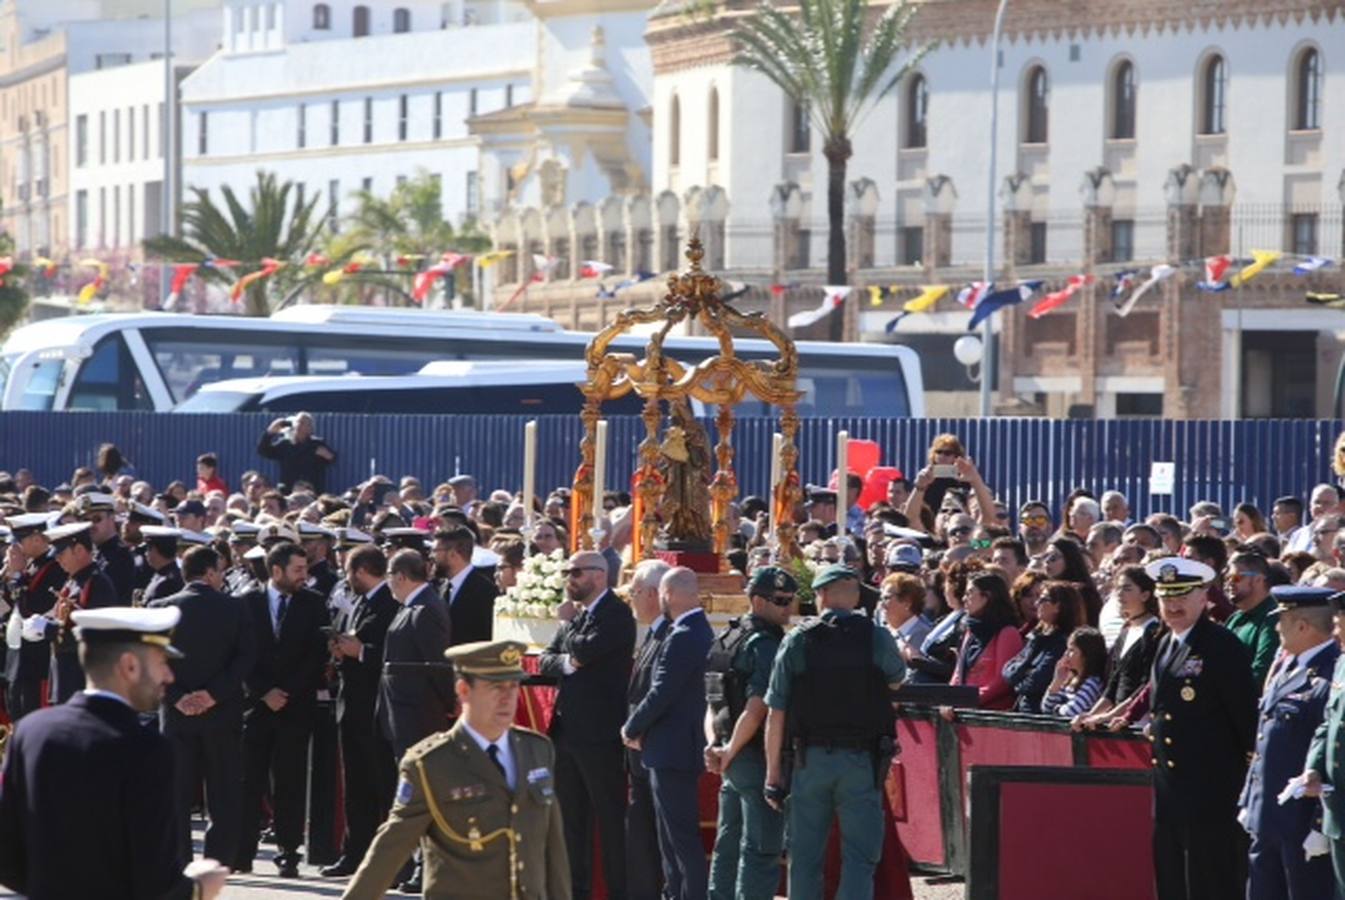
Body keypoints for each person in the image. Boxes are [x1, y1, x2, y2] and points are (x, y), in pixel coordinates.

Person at [0, 606, 229, 899]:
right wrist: (198, 889)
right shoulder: (145, 749)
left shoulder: (32, 732)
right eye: (161, 662)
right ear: (130, 666)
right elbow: (155, 879)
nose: (169, 676)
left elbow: (7, 854)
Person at [340, 640, 571, 900]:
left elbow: (554, 849)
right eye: (495, 688)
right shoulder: (430, 763)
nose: (507, 698)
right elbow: (391, 847)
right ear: (464, 690)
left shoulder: (536, 749)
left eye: (513, 686)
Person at [763, 564, 905, 900]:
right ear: (855, 596)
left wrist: (772, 775)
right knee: (860, 857)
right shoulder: (875, 636)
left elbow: (776, 709)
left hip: (808, 761)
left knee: (805, 858)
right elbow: (897, 679)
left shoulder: (799, 639)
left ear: (820, 595)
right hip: (861, 761)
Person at [1145, 556, 1257, 900]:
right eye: (1166, 597)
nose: (1173, 605)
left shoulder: (1220, 646)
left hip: (1211, 790)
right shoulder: (1166, 643)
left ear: (1204, 596)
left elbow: (1246, 720)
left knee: (1211, 881)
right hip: (1170, 789)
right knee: (1173, 879)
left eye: (1181, 595)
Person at [150, 545, 257, 868]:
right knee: (222, 792)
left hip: (176, 716)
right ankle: (217, 861)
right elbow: (246, 658)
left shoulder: (160, 607)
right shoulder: (235, 608)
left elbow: (149, 661)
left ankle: (180, 859)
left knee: (177, 794)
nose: (222, 577)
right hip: (221, 713)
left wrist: (178, 697)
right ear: (210, 573)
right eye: (220, 571)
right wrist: (214, 694)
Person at [539, 549, 636, 900]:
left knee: (610, 818)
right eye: (567, 571)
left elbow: (583, 653)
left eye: (575, 572)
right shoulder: (578, 616)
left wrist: (566, 633)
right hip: (567, 731)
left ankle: (618, 891)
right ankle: (575, 891)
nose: (569, 579)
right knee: (571, 819)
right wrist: (568, 657)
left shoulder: (616, 614)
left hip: (600, 734)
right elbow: (546, 661)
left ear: (598, 575)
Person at [235, 541, 329, 877]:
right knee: (249, 780)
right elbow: (240, 655)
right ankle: (242, 852)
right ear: (276, 571)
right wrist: (263, 692)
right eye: (298, 570)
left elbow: (316, 655)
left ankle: (289, 851)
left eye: (305, 569)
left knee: (289, 781)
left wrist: (286, 692)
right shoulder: (246, 603)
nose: (305, 576)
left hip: (294, 706)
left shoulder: (314, 604)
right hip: (255, 708)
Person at [1238, 586, 1337, 900]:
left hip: (1302, 826)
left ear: (1303, 626)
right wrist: (1249, 801)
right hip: (1267, 818)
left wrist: (1320, 826)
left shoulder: (1332, 673)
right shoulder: (1285, 668)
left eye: (1282, 619)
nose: (1277, 627)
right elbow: (1265, 737)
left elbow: (1332, 751)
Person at [622, 567, 713, 900]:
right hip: (671, 747)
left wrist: (630, 728)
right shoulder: (692, 630)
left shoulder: (684, 634)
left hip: (672, 749)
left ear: (671, 594)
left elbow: (662, 691)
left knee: (680, 839)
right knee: (670, 840)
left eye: (661, 592)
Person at [706, 565, 793, 900]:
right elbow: (758, 708)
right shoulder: (765, 644)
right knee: (761, 848)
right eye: (780, 600)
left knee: (728, 843)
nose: (788, 607)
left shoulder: (728, 637)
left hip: (732, 752)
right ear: (758, 601)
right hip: (754, 753)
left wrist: (717, 745)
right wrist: (727, 749)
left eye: (790, 600)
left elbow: (712, 702)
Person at [322, 544, 400, 878]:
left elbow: (392, 652)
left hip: (374, 709)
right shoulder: (359, 602)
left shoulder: (389, 603)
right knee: (355, 785)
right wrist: (340, 649)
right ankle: (355, 853)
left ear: (361, 571)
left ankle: (387, 860)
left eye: (347, 570)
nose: (344, 577)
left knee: (380, 784)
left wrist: (362, 651)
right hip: (351, 706)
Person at [626, 559, 671, 900]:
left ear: (655, 594)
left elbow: (660, 692)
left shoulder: (669, 634)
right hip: (641, 754)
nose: (631, 597)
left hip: (654, 749)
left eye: (636, 591)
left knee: (661, 839)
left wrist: (633, 727)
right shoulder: (654, 632)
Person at [37, 522, 121, 703]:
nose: (58, 559)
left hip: (80, 676)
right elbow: (59, 614)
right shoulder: (74, 580)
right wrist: (41, 621)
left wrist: (50, 629)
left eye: (61, 553)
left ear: (80, 550)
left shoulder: (96, 582)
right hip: (65, 674)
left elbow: (93, 634)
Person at [1074, 565, 1162, 730]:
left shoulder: (1155, 633)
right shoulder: (1125, 632)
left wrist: (1111, 715)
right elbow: (1113, 684)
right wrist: (1091, 715)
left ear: (1145, 594)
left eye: (1127, 589)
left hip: (1139, 721)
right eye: (1118, 589)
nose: (1119, 595)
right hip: (1117, 720)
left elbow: (1145, 685)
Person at [2, 513, 66, 721]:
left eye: (20, 541)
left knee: (33, 716)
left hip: (37, 660)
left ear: (37, 538)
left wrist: (19, 576)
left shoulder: (54, 568)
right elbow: (9, 606)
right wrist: (9, 578)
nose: (15, 548)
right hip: (18, 659)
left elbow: (33, 610)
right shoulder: (31, 565)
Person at [1302, 588, 1345, 891]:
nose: (1337, 631)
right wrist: (1314, 766)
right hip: (1338, 808)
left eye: (1341, 623)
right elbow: (1328, 723)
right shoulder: (1342, 664)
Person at [1002, 580, 1082, 713]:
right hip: (1022, 709)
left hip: (1039, 714)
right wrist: (1023, 671)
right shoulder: (1036, 637)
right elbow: (1007, 671)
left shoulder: (1062, 644)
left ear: (1058, 606)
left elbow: (1036, 683)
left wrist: (1019, 681)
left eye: (1043, 599)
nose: (1036, 603)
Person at [950, 572, 1024, 710]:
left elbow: (1003, 681)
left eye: (970, 593)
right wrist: (950, 699)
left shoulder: (1007, 633)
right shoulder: (970, 631)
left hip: (990, 714)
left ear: (986, 597)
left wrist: (970, 700)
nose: (964, 598)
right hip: (964, 709)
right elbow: (958, 673)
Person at [1224, 550, 1282, 689]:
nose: (1229, 584)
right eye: (1227, 578)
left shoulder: (1273, 616)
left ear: (1258, 580)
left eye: (1237, 578)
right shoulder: (1235, 618)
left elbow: (1262, 670)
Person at [435, 525, 498, 645]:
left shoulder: (485, 592)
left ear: (453, 554)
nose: (432, 557)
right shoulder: (441, 587)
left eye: (436, 551)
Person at [257, 412, 337, 494]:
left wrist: (328, 456)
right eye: (297, 422)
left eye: (302, 423)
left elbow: (332, 458)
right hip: (287, 491)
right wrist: (270, 433)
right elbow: (263, 451)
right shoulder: (285, 444)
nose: (298, 425)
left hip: (310, 492)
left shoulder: (316, 444)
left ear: (310, 428)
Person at [78, 491, 136, 603]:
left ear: (112, 518)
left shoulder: (119, 556)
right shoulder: (96, 552)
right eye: (86, 520)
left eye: (96, 519)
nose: (91, 525)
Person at [1040, 627, 1107, 716]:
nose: (1066, 654)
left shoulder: (1093, 683)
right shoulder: (1069, 679)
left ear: (1086, 655)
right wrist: (1057, 681)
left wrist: (1056, 708)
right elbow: (1046, 708)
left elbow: (1070, 713)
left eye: (1071, 650)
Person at [879, 571, 931, 654]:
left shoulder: (921, 635)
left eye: (887, 598)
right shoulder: (887, 632)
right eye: (881, 598)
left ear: (907, 602)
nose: (881, 604)